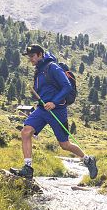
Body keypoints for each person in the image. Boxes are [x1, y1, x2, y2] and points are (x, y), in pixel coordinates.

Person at [12, 44, 98, 181]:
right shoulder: (38, 72)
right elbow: (43, 91)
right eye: (29, 57)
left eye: (32, 56)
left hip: (57, 110)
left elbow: (67, 87)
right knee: (26, 131)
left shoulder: (52, 67)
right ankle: (28, 168)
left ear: (40, 54)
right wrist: (37, 95)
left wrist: (54, 102)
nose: (31, 59)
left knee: (64, 145)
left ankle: (87, 159)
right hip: (42, 109)